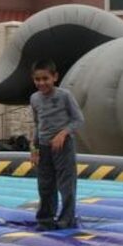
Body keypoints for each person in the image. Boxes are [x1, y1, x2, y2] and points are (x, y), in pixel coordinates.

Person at [29, 59, 84, 230]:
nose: (41, 83)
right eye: (37, 79)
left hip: (63, 146)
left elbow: (78, 120)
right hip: (44, 147)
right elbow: (38, 124)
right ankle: (45, 218)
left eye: (45, 78)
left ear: (55, 77)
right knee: (45, 185)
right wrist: (34, 148)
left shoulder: (64, 96)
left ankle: (66, 219)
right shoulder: (34, 98)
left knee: (66, 184)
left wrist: (63, 133)